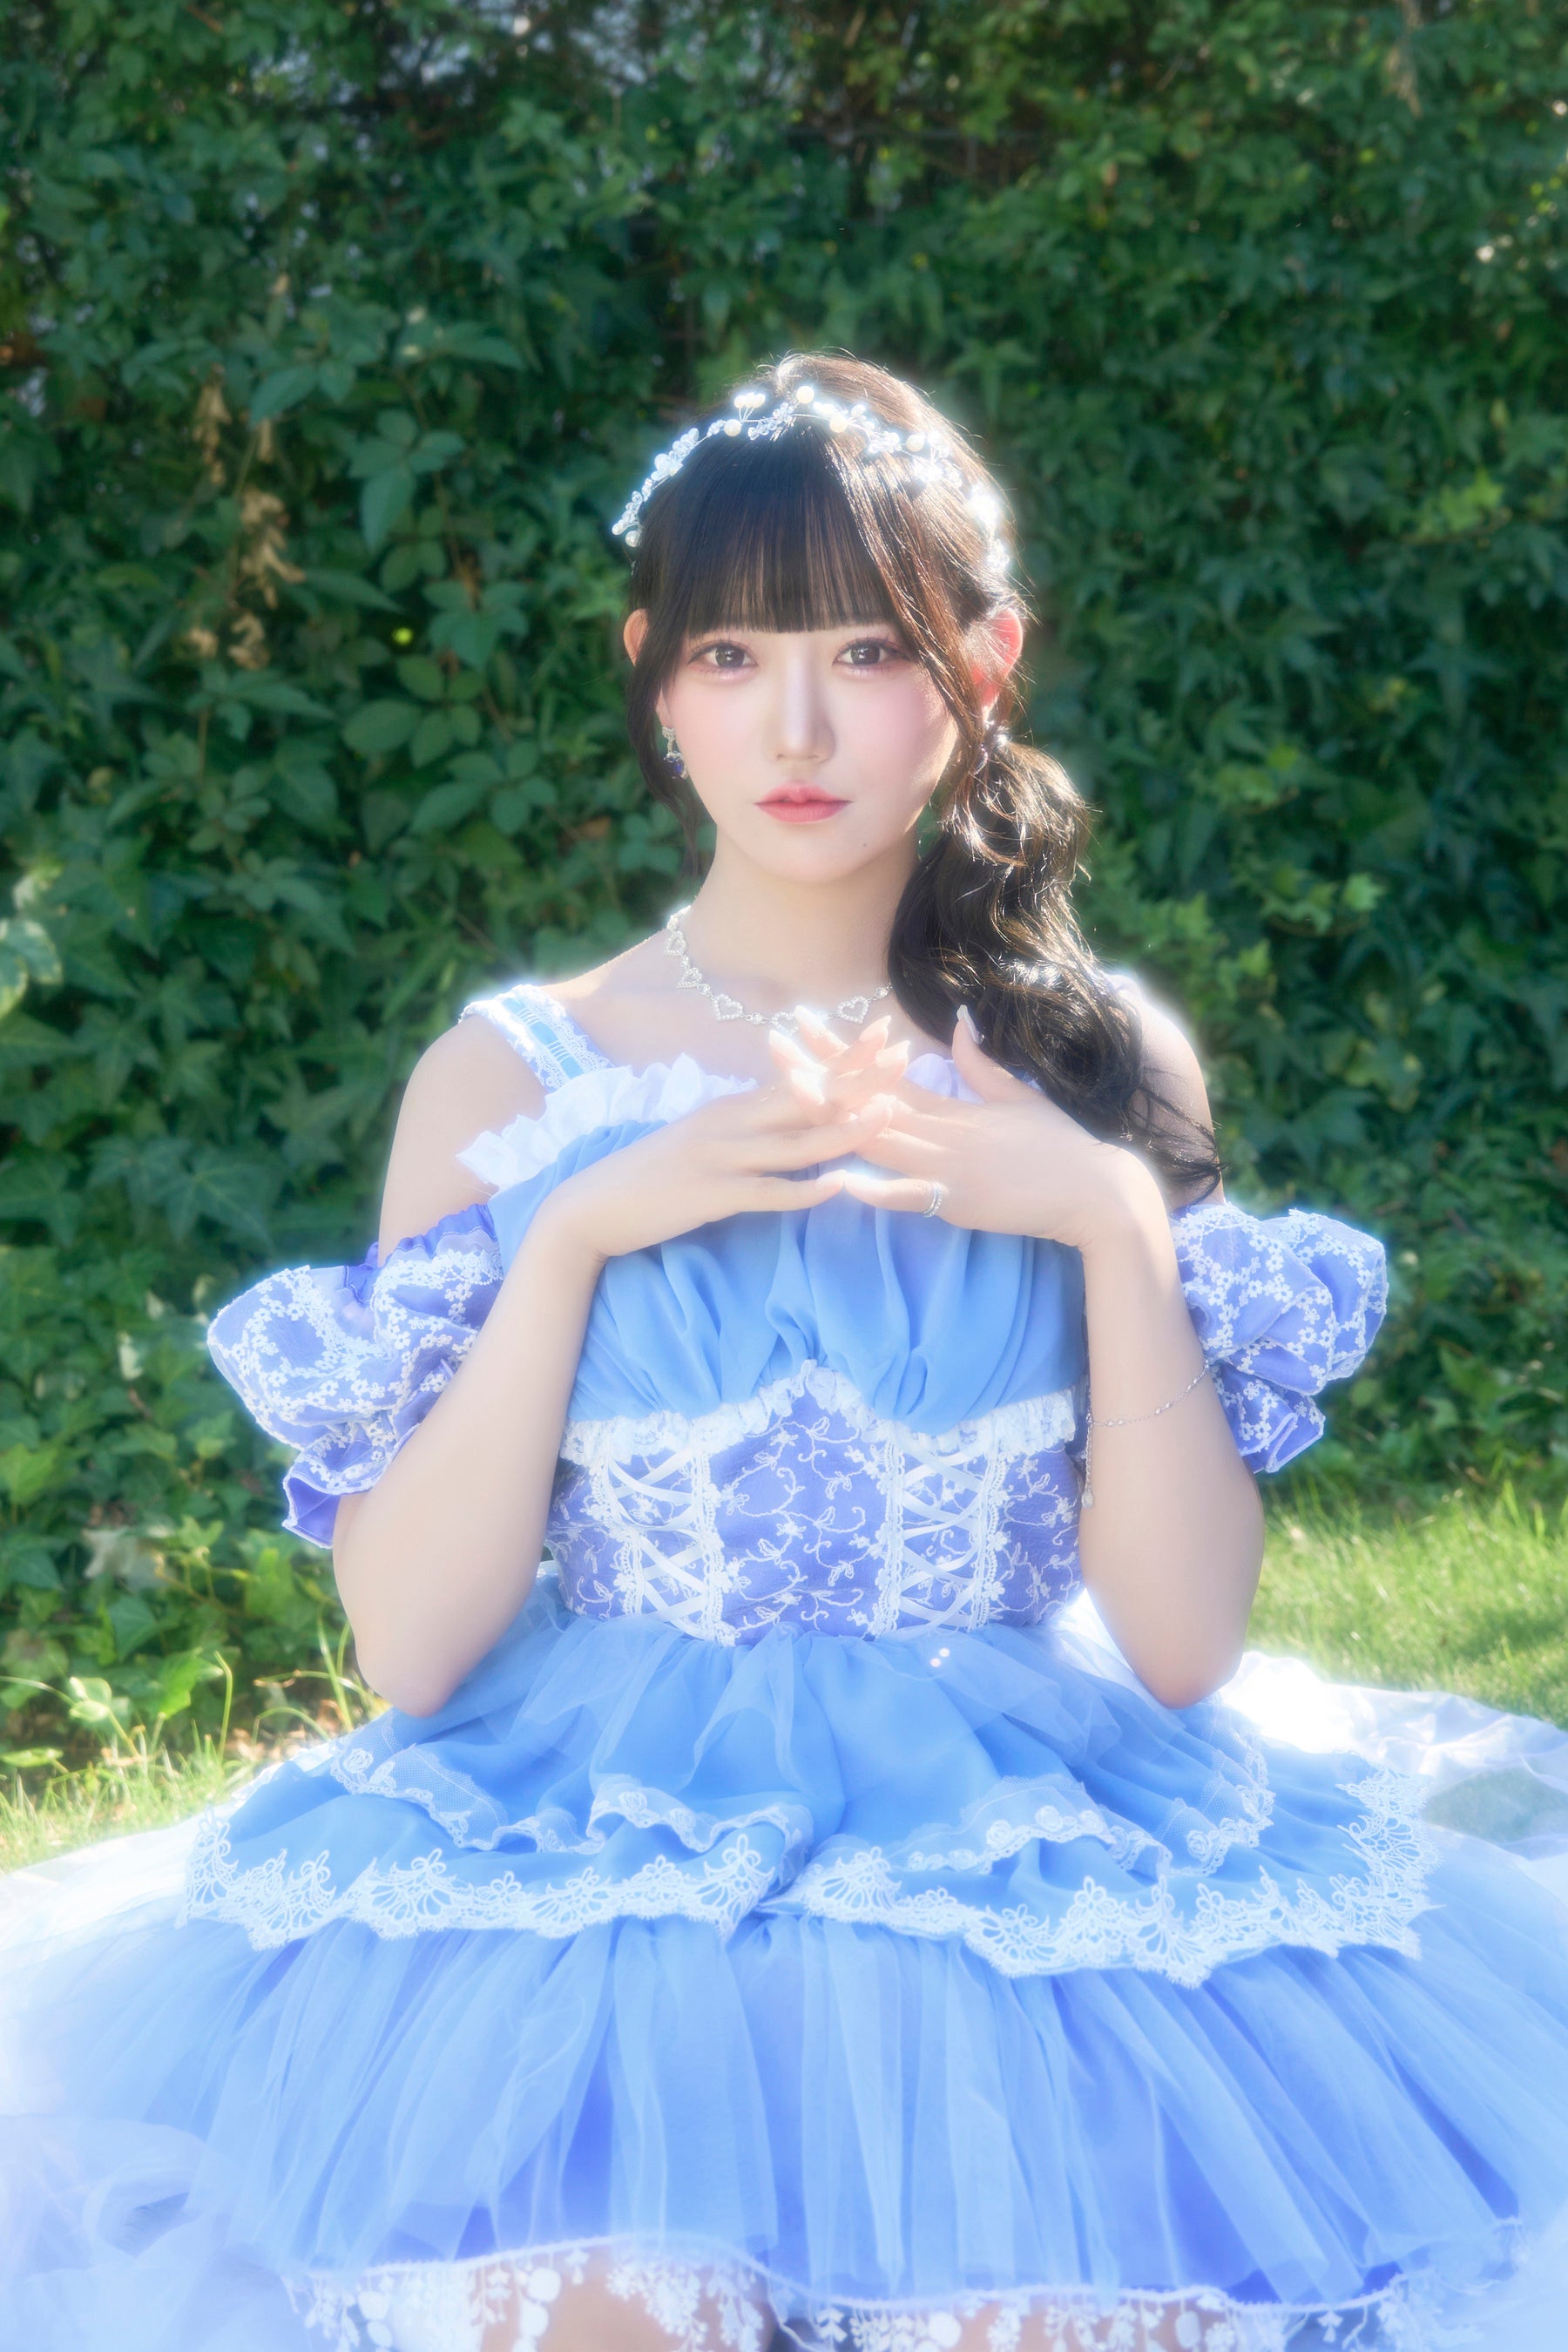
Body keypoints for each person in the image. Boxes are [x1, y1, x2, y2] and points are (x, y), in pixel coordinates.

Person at [5, 352, 1568, 2352]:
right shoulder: (513, 1079)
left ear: (984, 666)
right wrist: (579, 1232)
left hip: (1018, 1831)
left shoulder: (1097, 1070)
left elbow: (1183, 1647)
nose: (800, 726)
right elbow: (409, 1650)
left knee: (1043, 2307)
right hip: (592, 1848)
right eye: (736, 655)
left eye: (868, 650)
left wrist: (1105, 1216)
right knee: (601, 2306)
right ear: (656, 678)